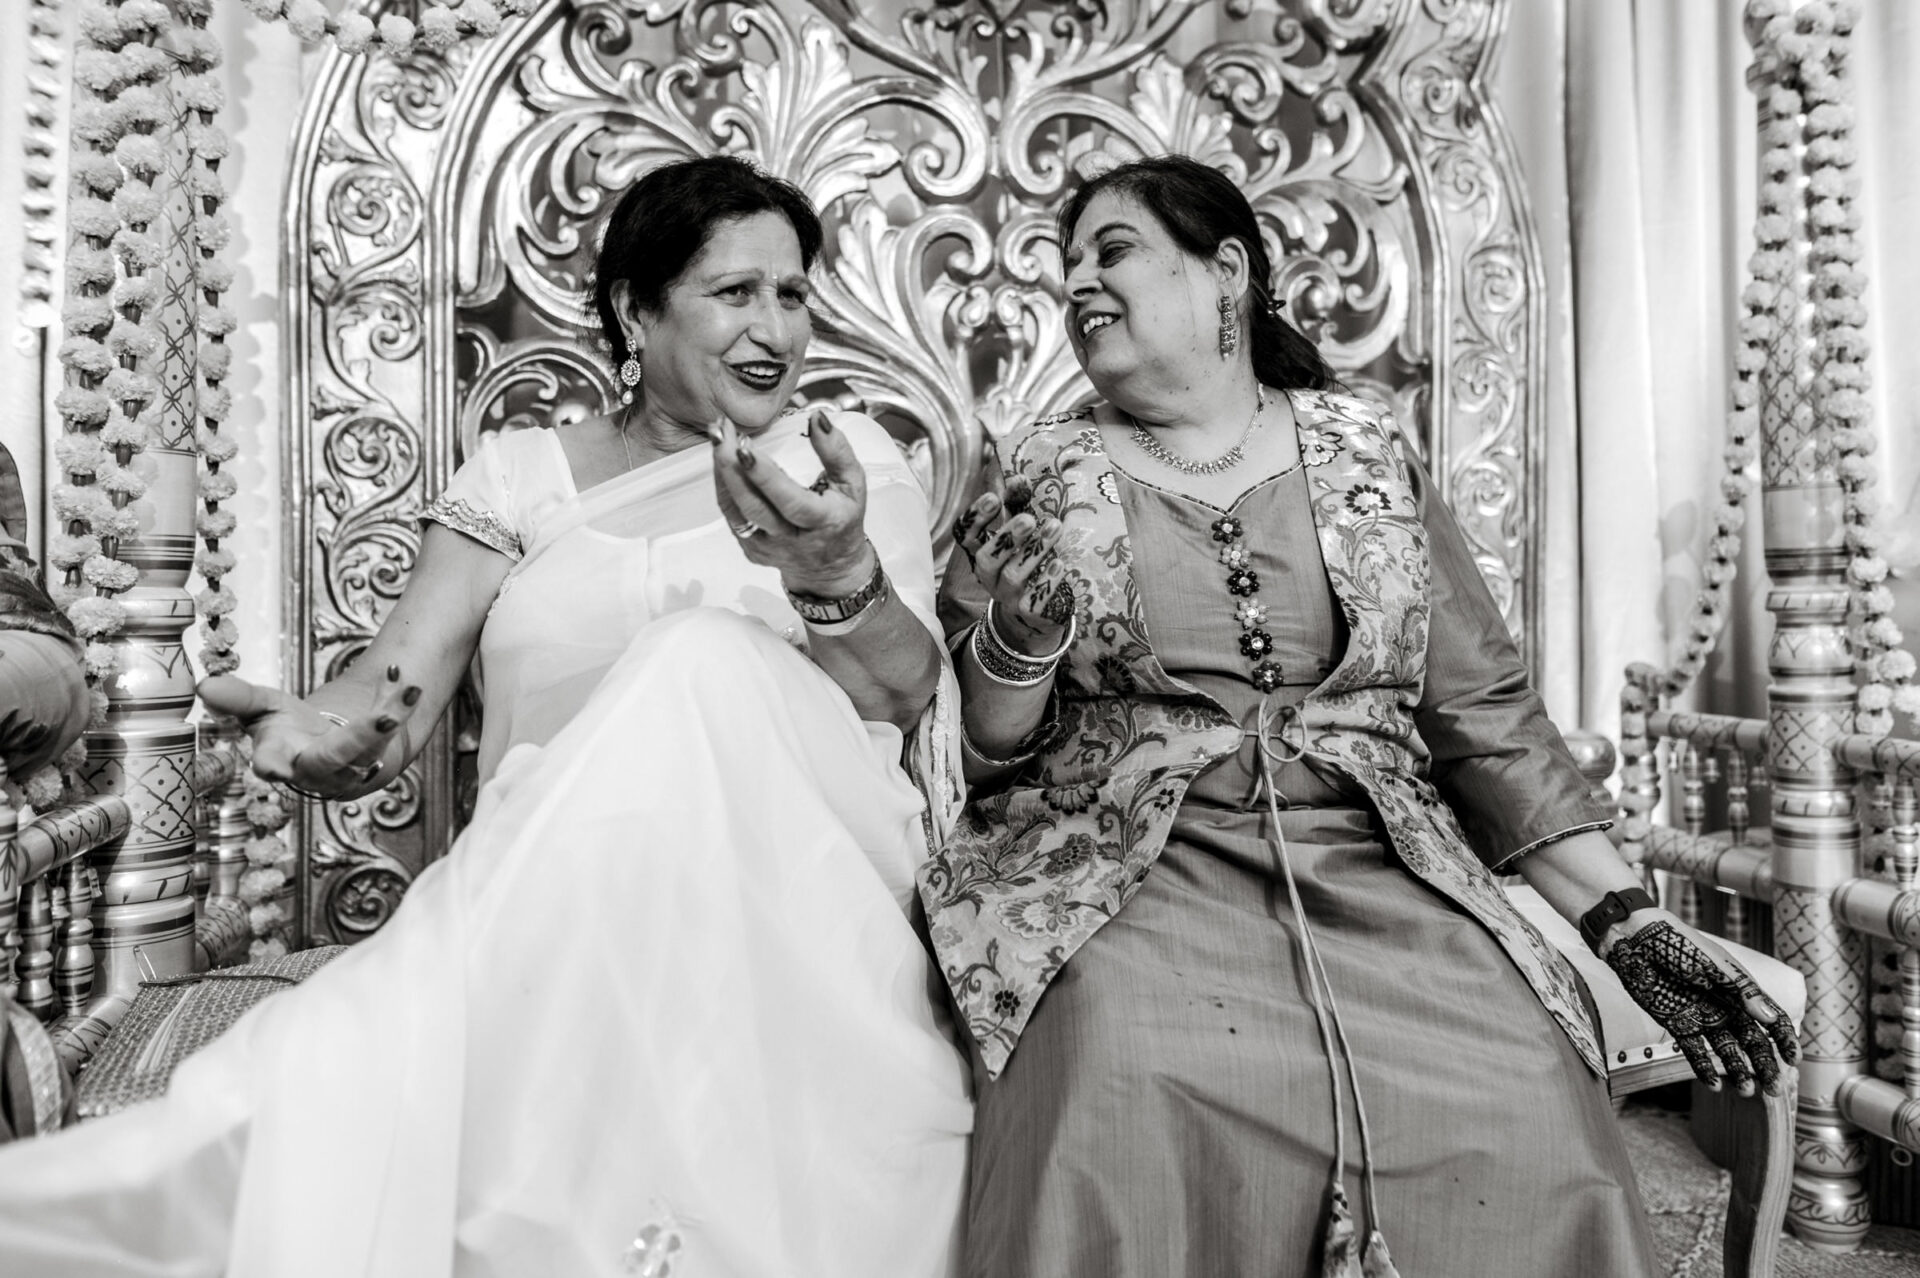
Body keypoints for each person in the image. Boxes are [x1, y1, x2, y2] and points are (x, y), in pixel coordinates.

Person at [0, 156, 971, 1278]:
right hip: (548, 902)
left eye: (793, 294)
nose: (776, 327)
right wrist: (324, 738)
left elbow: (901, 697)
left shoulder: (841, 465)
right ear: (636, 309)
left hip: (799, 887)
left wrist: (833, 563)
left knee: (705, 656)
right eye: (734, 292)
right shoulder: (520, 475)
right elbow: (389, 697)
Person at [920, 155, 1798, 1277]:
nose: (1078, 283)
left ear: (1224, 270)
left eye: (1113, 250)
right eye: (1067, 264)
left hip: (1384, 871)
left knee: (1524, 1082)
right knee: (1120, 1072)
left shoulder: (1367, 455)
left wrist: (1624, 919)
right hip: (1127, 877)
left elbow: (1484, 715)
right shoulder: (1042, 473)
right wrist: (1021, 642)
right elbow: (986, 754)